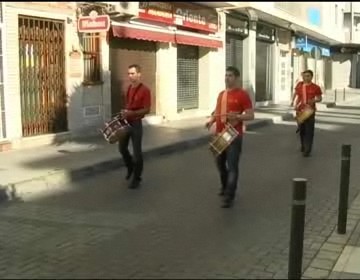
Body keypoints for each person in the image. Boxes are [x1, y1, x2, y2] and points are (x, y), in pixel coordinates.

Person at [205, 66, 254, 208]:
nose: (227, 78)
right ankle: (225, 186)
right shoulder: (222, 94)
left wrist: (238, 116)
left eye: (230, 75)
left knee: (232, 165)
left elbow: (251, 115)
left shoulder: (242, 94)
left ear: (237, 78)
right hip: (220, 134)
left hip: (233, 133)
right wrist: (211, 120)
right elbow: (217, 110)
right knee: (220, 164)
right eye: (226, 75)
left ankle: (229, 196)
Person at [119, 64, 151, 189]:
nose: (130, 76)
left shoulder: (145, 90)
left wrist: (132, 113)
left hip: (136, 124)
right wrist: (124, 112)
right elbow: (128, 105)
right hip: (126, 122)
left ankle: (137, 178)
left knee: (137, 153)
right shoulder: (128, 88)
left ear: (139, 74)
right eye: (128, 74)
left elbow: (147, 109)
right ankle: (130, 168)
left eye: (132, 73)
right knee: (122, 149)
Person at [290, 69, 323, 157]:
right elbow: (296, 94)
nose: (306, 77)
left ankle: (307, 149)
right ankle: (303, 145)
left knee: (309, 130)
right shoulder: (300, 85)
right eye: (304, 76)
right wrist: (292, 101)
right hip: (300, 110)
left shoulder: (316, 87)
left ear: (311, 77)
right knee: (302, 129)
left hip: (309, 110)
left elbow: (319, 98)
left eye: (308, 76)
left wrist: (314, 100)